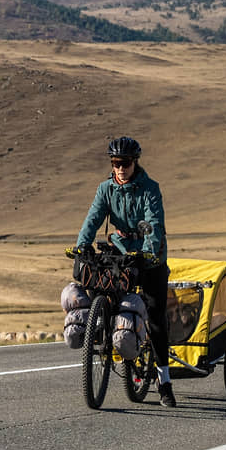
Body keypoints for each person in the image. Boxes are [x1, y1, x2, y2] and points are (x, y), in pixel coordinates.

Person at [75, 136, 176, 408]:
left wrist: (148, 251)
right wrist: (81, 245)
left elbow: (153, 223)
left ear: (135, 163)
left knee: (155, 315)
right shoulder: (105, 189)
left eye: (126, 163)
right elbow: (93, 217)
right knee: (105, 293)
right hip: (120, 252)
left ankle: (164, 380)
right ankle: (108, 335)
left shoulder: (150, 189)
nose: (121, 168)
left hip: (149, 257)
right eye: (116, 163)